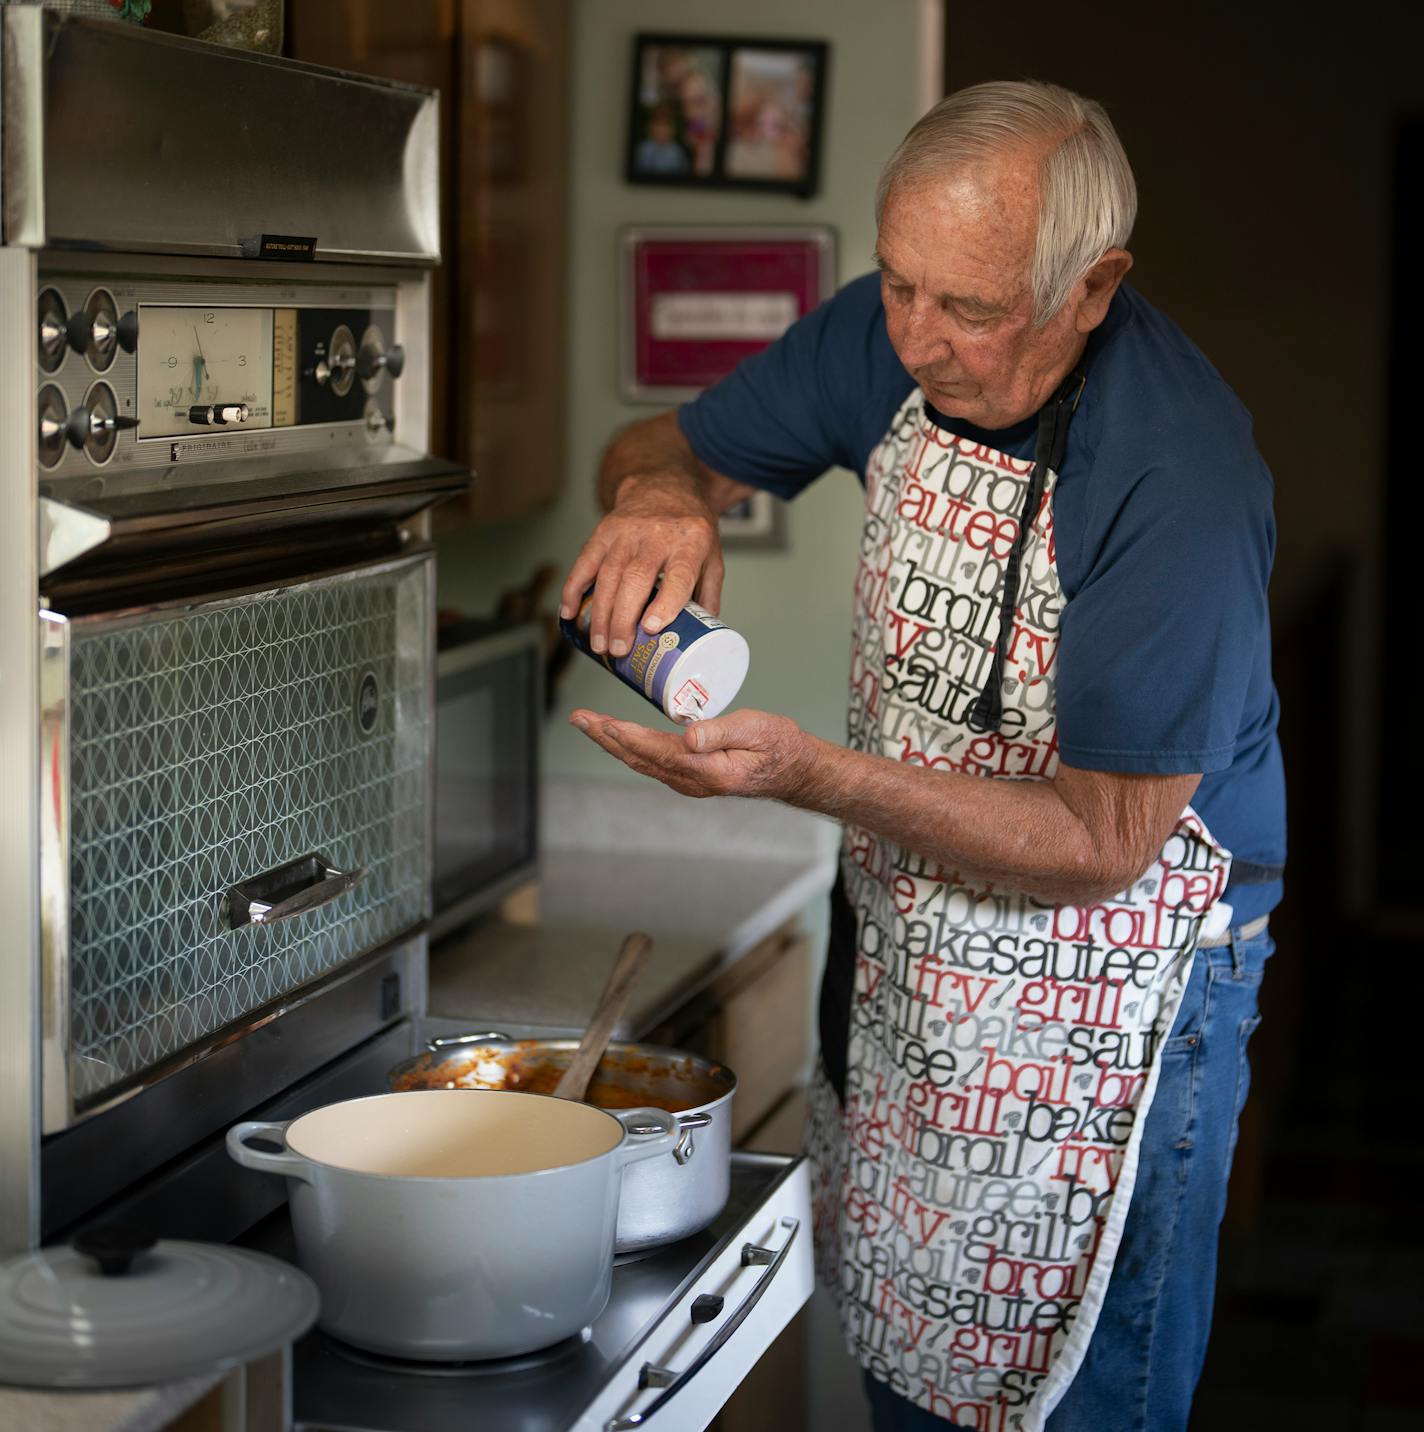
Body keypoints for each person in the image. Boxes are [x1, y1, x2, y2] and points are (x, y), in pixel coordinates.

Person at [560, 80, 1285, 1432]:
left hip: (1114, 1015)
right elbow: (652, 445)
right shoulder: (885, 338)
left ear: (1091, 287)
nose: (917, 339)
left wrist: (807, 774)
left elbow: (1103, 842)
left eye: (968, 309)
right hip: (914, 971)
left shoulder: (1176, 475)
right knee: (913, 1375)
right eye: (898, 287)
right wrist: (662, 492)